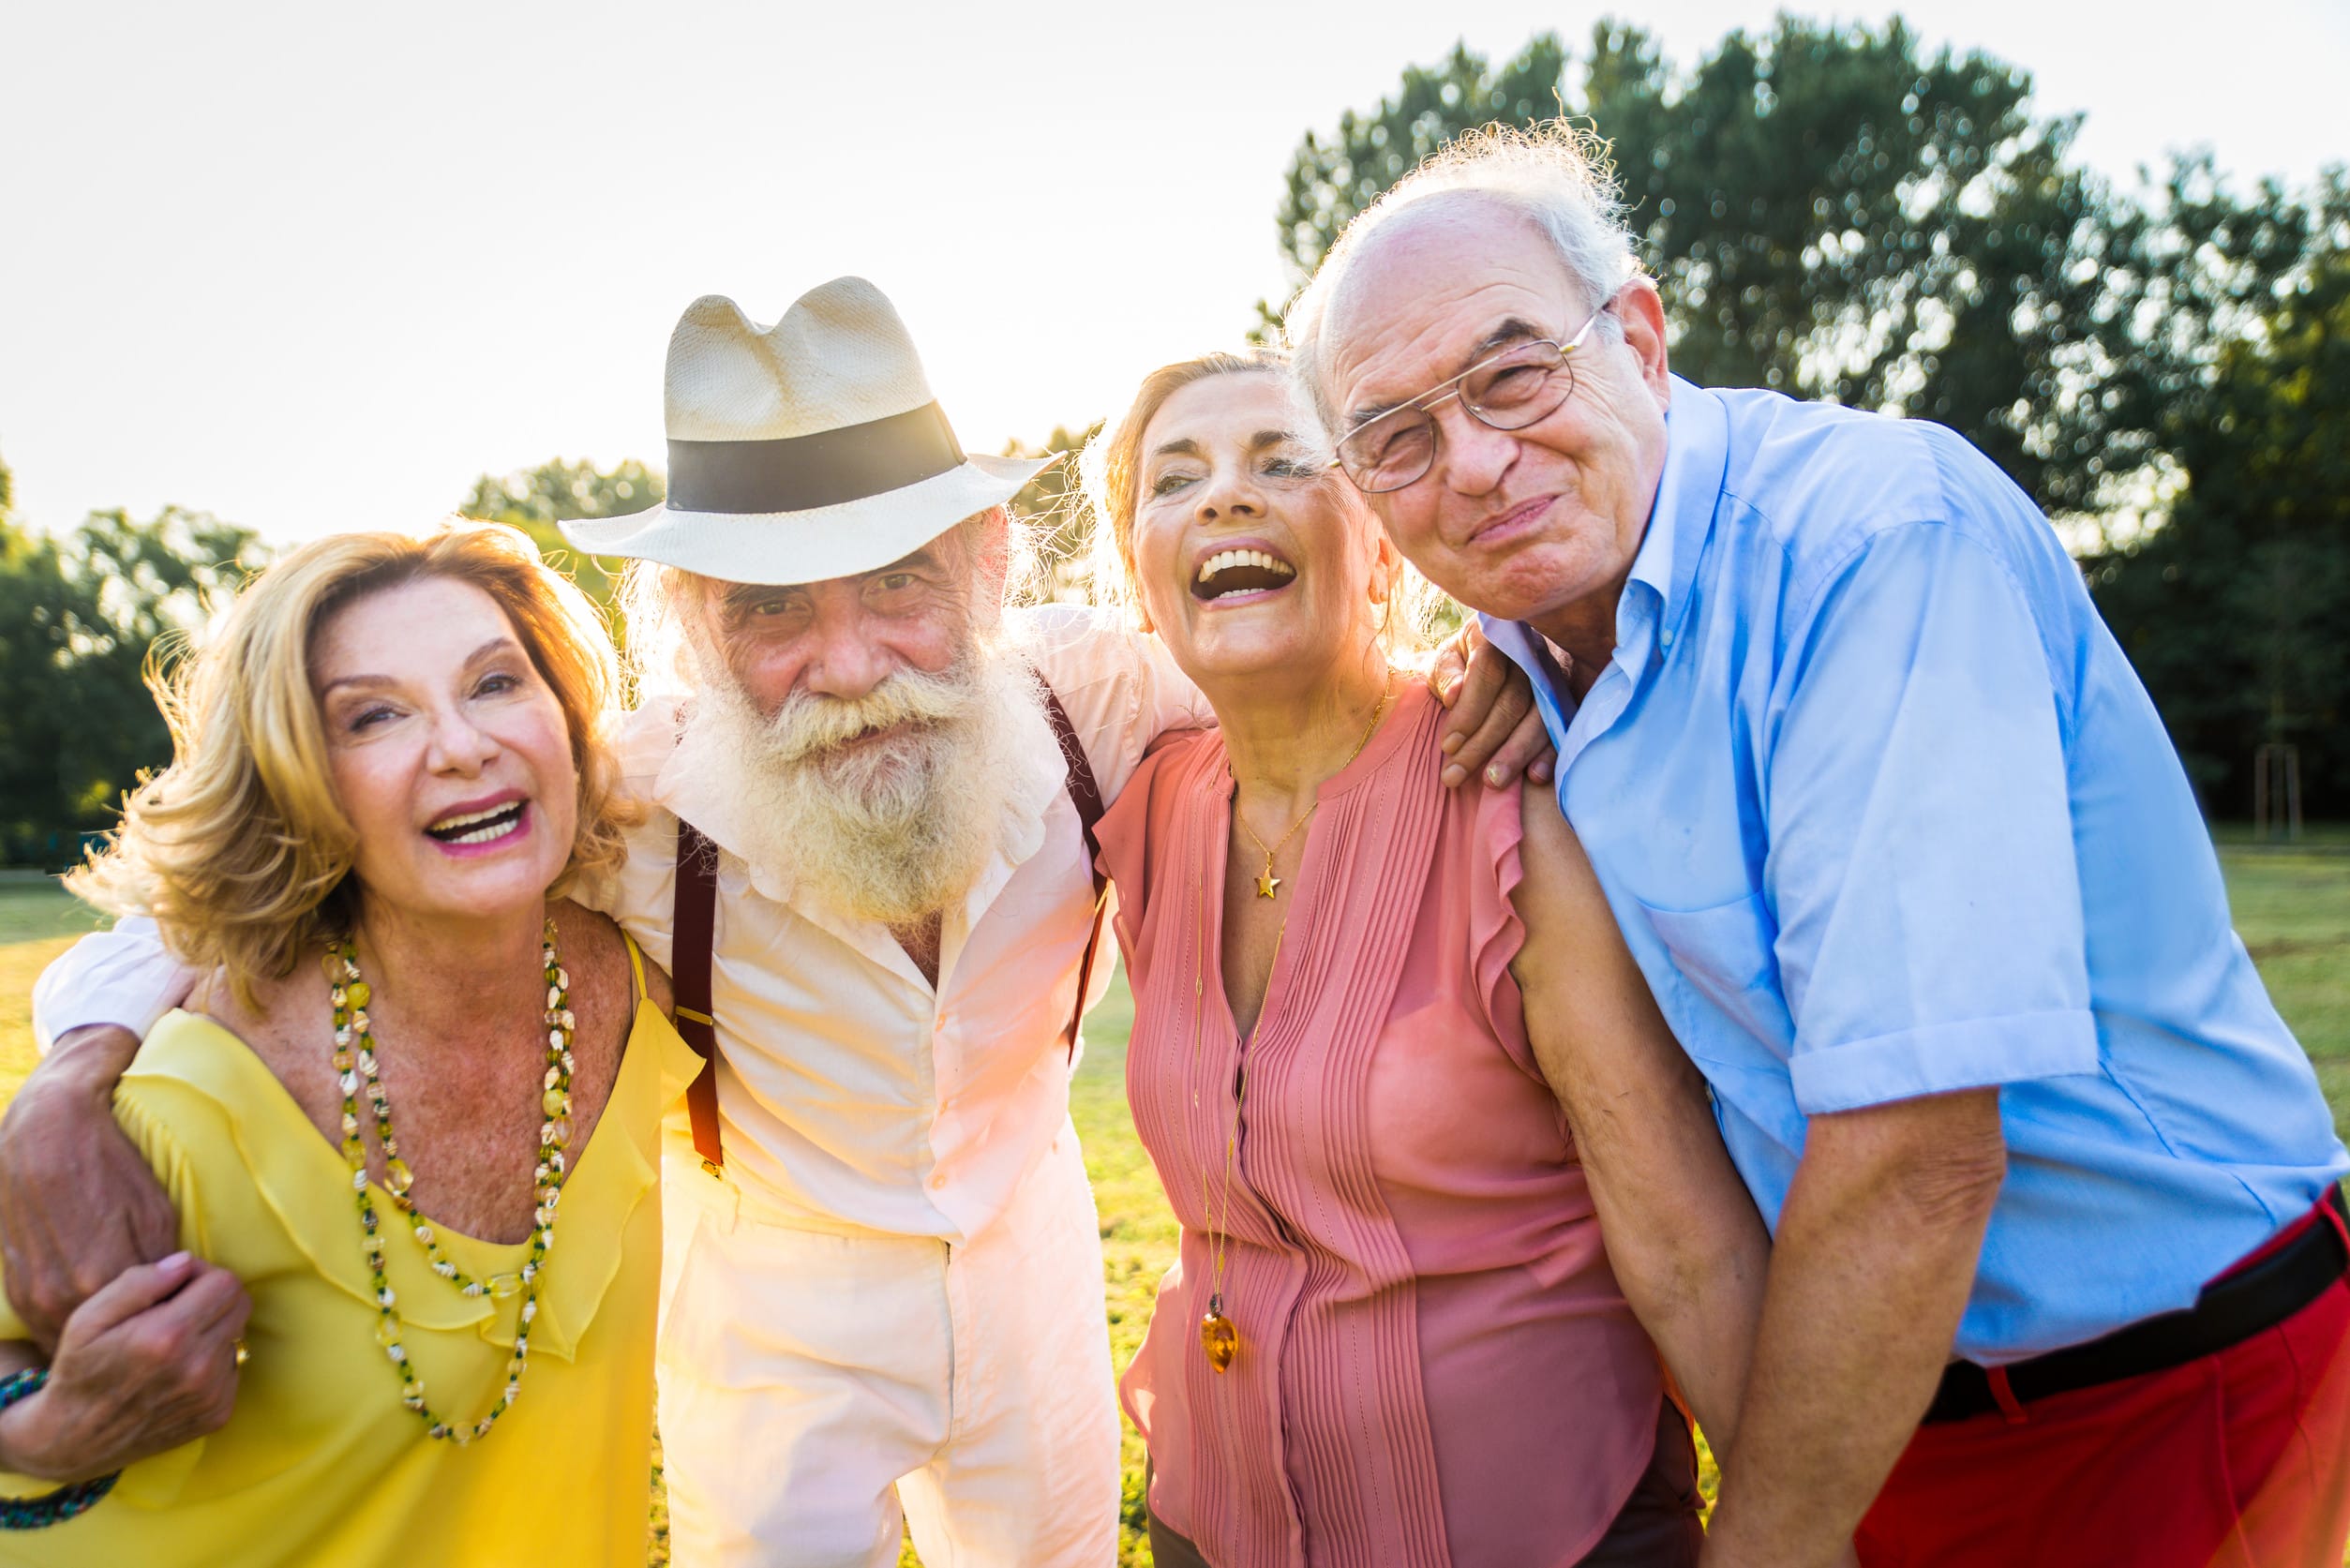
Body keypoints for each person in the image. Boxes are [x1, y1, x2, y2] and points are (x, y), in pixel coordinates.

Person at [7, 277, 1548, 1568]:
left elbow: (1318, 672)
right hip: (775, 1328)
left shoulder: (1093, 695)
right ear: (690, 624)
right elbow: (243, 890)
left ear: (990, 565)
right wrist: (76, 1068)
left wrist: (1490, 664)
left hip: (1033, 1267)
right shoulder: (629, 803)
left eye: (897, 586)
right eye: (771, 612)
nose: (850, 659)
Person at [1280, 122, 2350, 1566]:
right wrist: (1502, 664)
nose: (1469, 461)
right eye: (1397, 435)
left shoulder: (1874, 545)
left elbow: (1917, 1153)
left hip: (2173, 1382)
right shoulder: (1535, 635)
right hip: (1867, 1395)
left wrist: (1767, 1541)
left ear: (1640, 341)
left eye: (1511, 373)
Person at [1077, 350, 1771, 1567]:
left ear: (1387, 548)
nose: (1224, 498)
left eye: (1284, 461)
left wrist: (1792, 1526)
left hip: (1541, 1529)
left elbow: (1682, 1243)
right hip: (1212, 1518)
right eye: (1171, 480)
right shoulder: (1139, 817)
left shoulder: (1509, 801)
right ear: (1141, 580)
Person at [0, 523, 692, 1561]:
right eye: (373, 716)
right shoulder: (172, 1113)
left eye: (497, 682)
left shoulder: (644, 986)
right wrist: (36, 1429)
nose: (461, 744)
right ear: (296, 783)